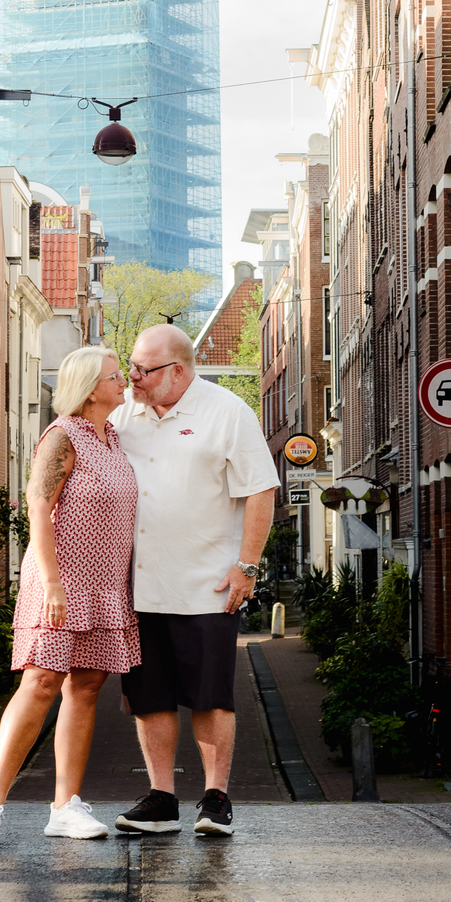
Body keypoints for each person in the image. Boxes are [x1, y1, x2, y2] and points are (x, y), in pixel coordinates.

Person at [0, 346, 140, 850]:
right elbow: (38, 510)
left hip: (105, 585)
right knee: (40, 685)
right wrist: (53, 583)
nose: (123, 378)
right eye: (114, 374)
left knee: (85, 690)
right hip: (60, 583)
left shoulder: (114, 439)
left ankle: (65, 806)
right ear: (89, 387)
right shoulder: (63, 436)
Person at [109, 321, 279, 839]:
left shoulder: (228, 412)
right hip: (137, 586)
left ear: (177, 371)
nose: (132, 376)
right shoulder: (121, 416)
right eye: (132, 365)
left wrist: (246, 566)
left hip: (208, 582)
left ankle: (216, 797)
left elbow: (260, 491)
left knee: (211, 696)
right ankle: (161, 797)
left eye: (143, 368)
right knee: (149, 697)